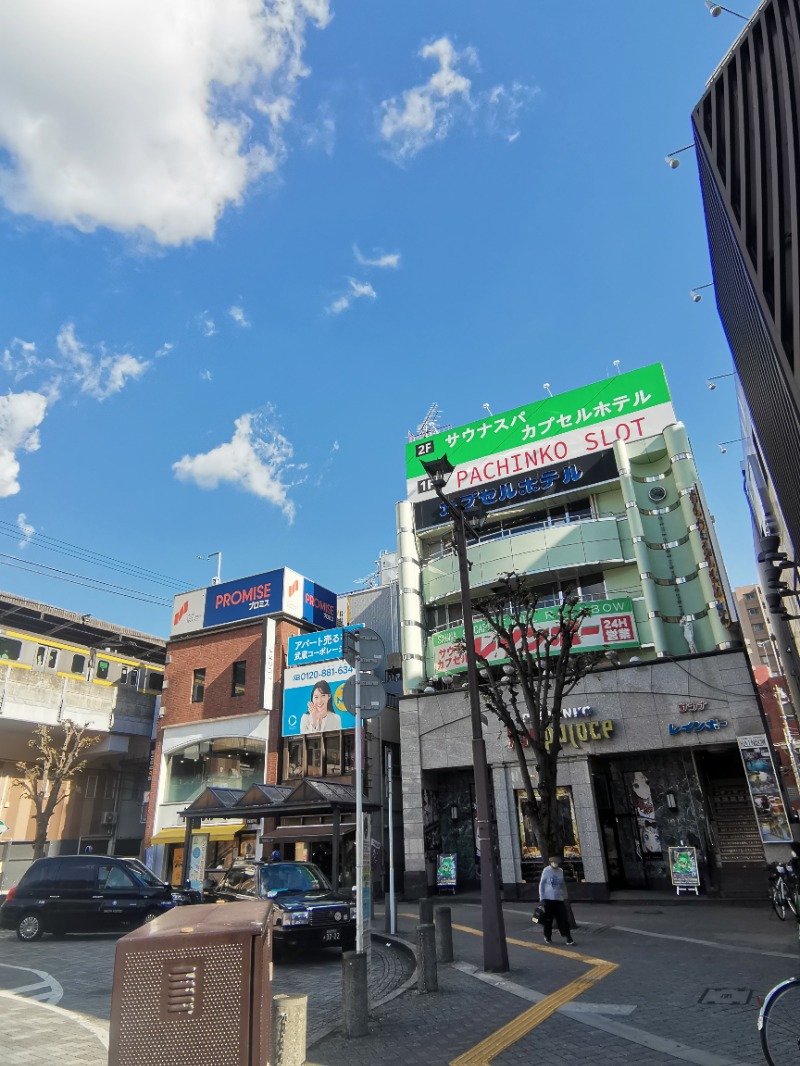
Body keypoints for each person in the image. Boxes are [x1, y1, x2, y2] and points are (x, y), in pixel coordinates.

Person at [539, 855, 575, 946]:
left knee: (563, 918)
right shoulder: (546, 870)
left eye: (556, 862)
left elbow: (563, 884)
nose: (555, 864)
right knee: (548, 919)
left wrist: (565, 896)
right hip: (548, 899)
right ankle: (547, 935)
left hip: (559, 899)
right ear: (550, 862)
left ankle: (568, 937)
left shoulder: (560, 871)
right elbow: (542, 885)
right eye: (553, 862)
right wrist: (542, 898)